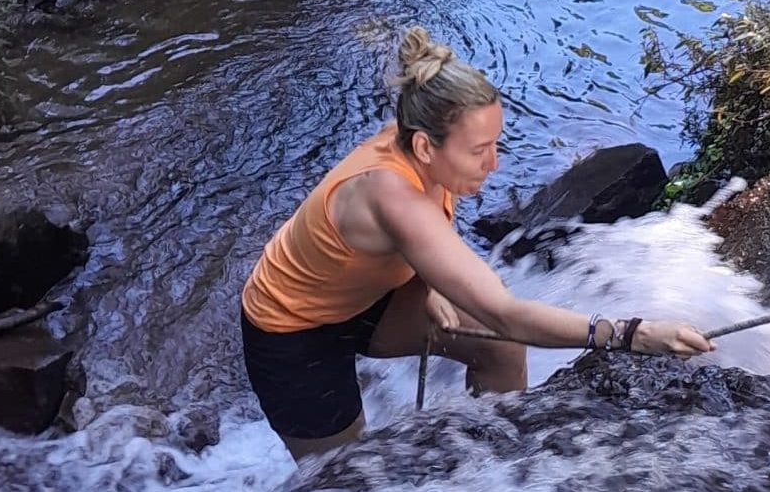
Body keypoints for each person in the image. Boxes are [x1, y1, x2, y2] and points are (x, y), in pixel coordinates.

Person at [240, 26, 715, 460]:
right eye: (478, 151)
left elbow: (429, 250)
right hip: (293, 332)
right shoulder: (390, 194)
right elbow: (504, 311)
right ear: (426, 146)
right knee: (344, 477)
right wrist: (632, 334)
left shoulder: (421, 152)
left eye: (495, 144)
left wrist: (432, 283)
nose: (494, 165)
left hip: (367, 295)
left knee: (500, 350)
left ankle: (491, 471)